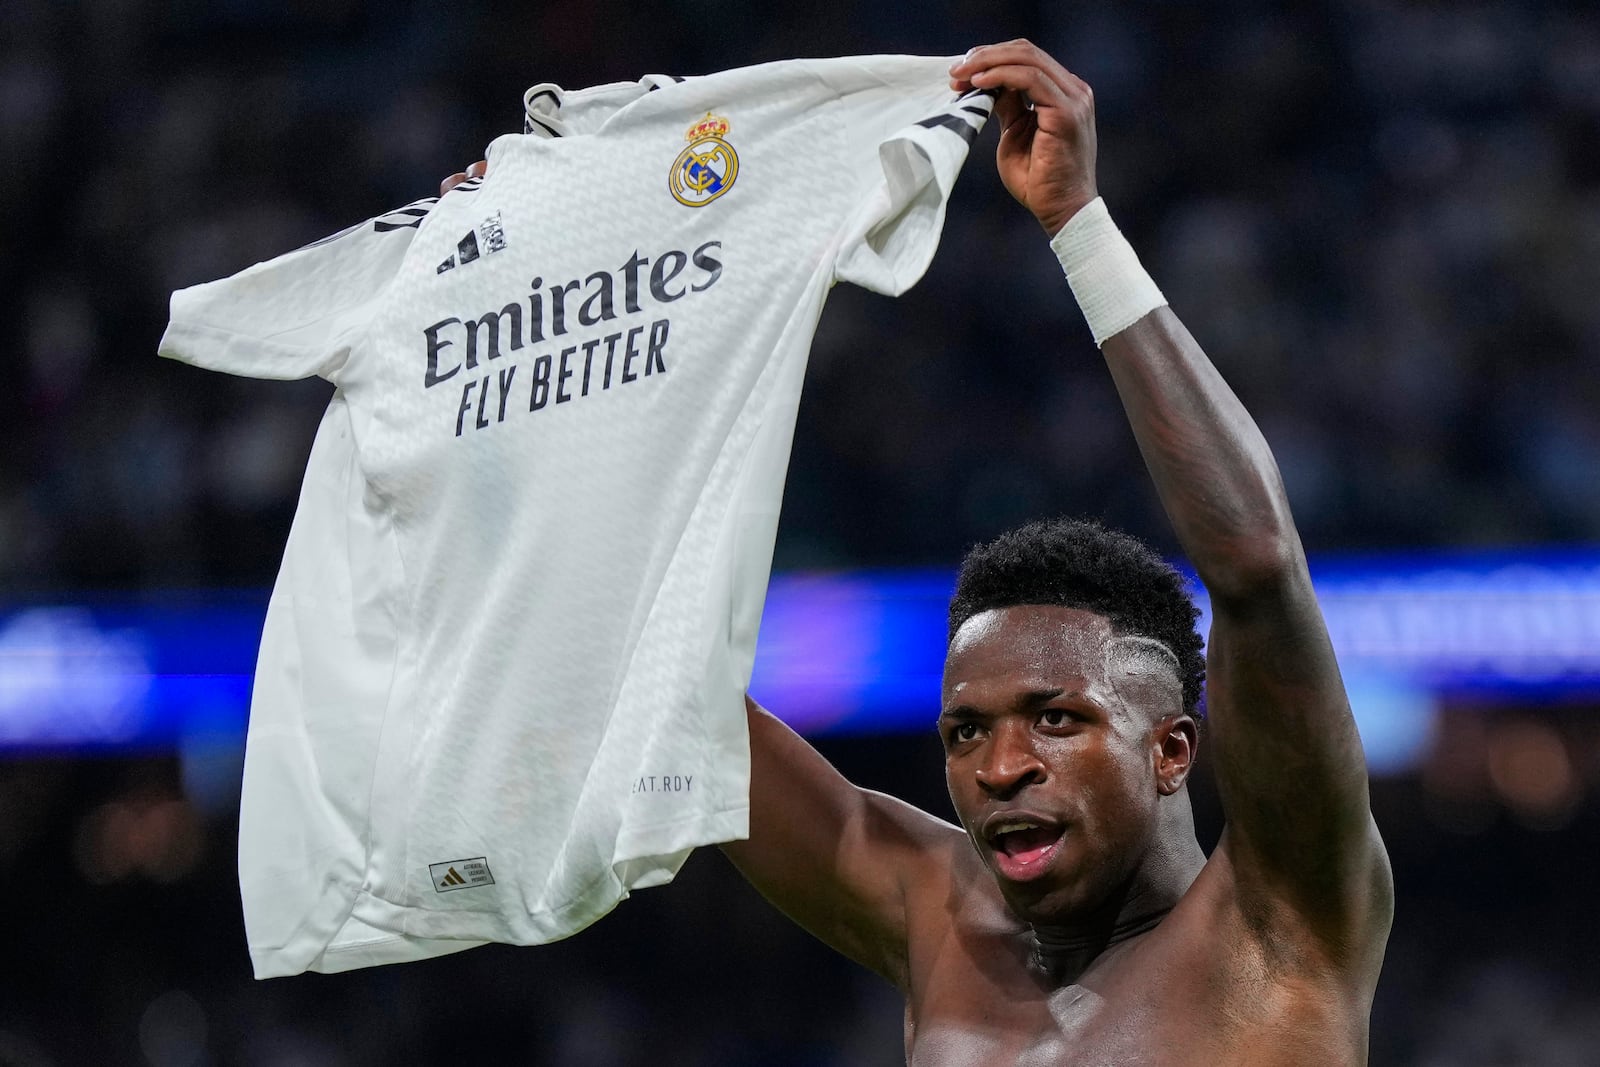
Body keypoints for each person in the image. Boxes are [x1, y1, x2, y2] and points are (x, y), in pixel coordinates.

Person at [445, 38, 1393, 1066]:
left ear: (1170, 747)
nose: (1000, 765)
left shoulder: (1279, 919)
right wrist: (517, 316)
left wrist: (1076, 222)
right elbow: (644, 670)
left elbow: (1254, 564)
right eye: (963, 730)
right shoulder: (938, 913)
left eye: (1057, 716)